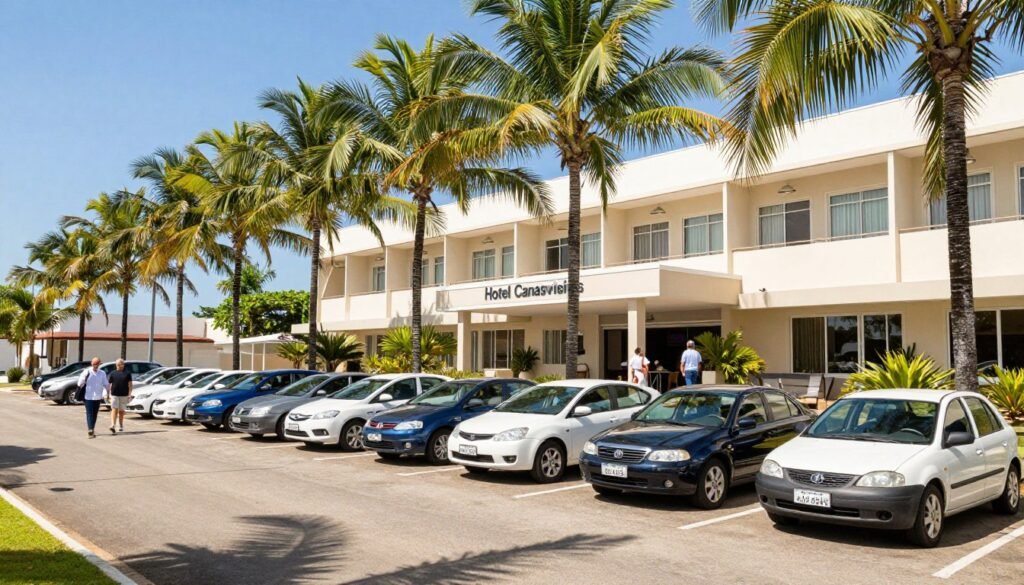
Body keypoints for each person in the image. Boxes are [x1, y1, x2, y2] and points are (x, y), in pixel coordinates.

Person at [77, 357, 109, 438]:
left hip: (98, 396)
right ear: (91, 363)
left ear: (99, 364)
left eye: (97, 364)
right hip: (88, 396)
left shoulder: (102, 373)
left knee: (95, 414)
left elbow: (106, 384)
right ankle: (90, 429)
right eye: (94, 363)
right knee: (90, 413)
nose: (95, 365)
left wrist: (108, 393)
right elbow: (80, 383)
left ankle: (92, 428)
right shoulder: (87, 371)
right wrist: (83, 380)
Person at [106, 358, 133, 434]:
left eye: (123, 364)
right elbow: (109, 385)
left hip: (124, 395)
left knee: (121, 411)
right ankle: (113, 425)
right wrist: (108, 394)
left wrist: (129, 394)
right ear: (117, 365)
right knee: (114, 409)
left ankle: (120, 424)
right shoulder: (113, 373)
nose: (122, 365)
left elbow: (130, 385)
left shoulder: (127, 373)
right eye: (121, 364)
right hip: (114, 394)